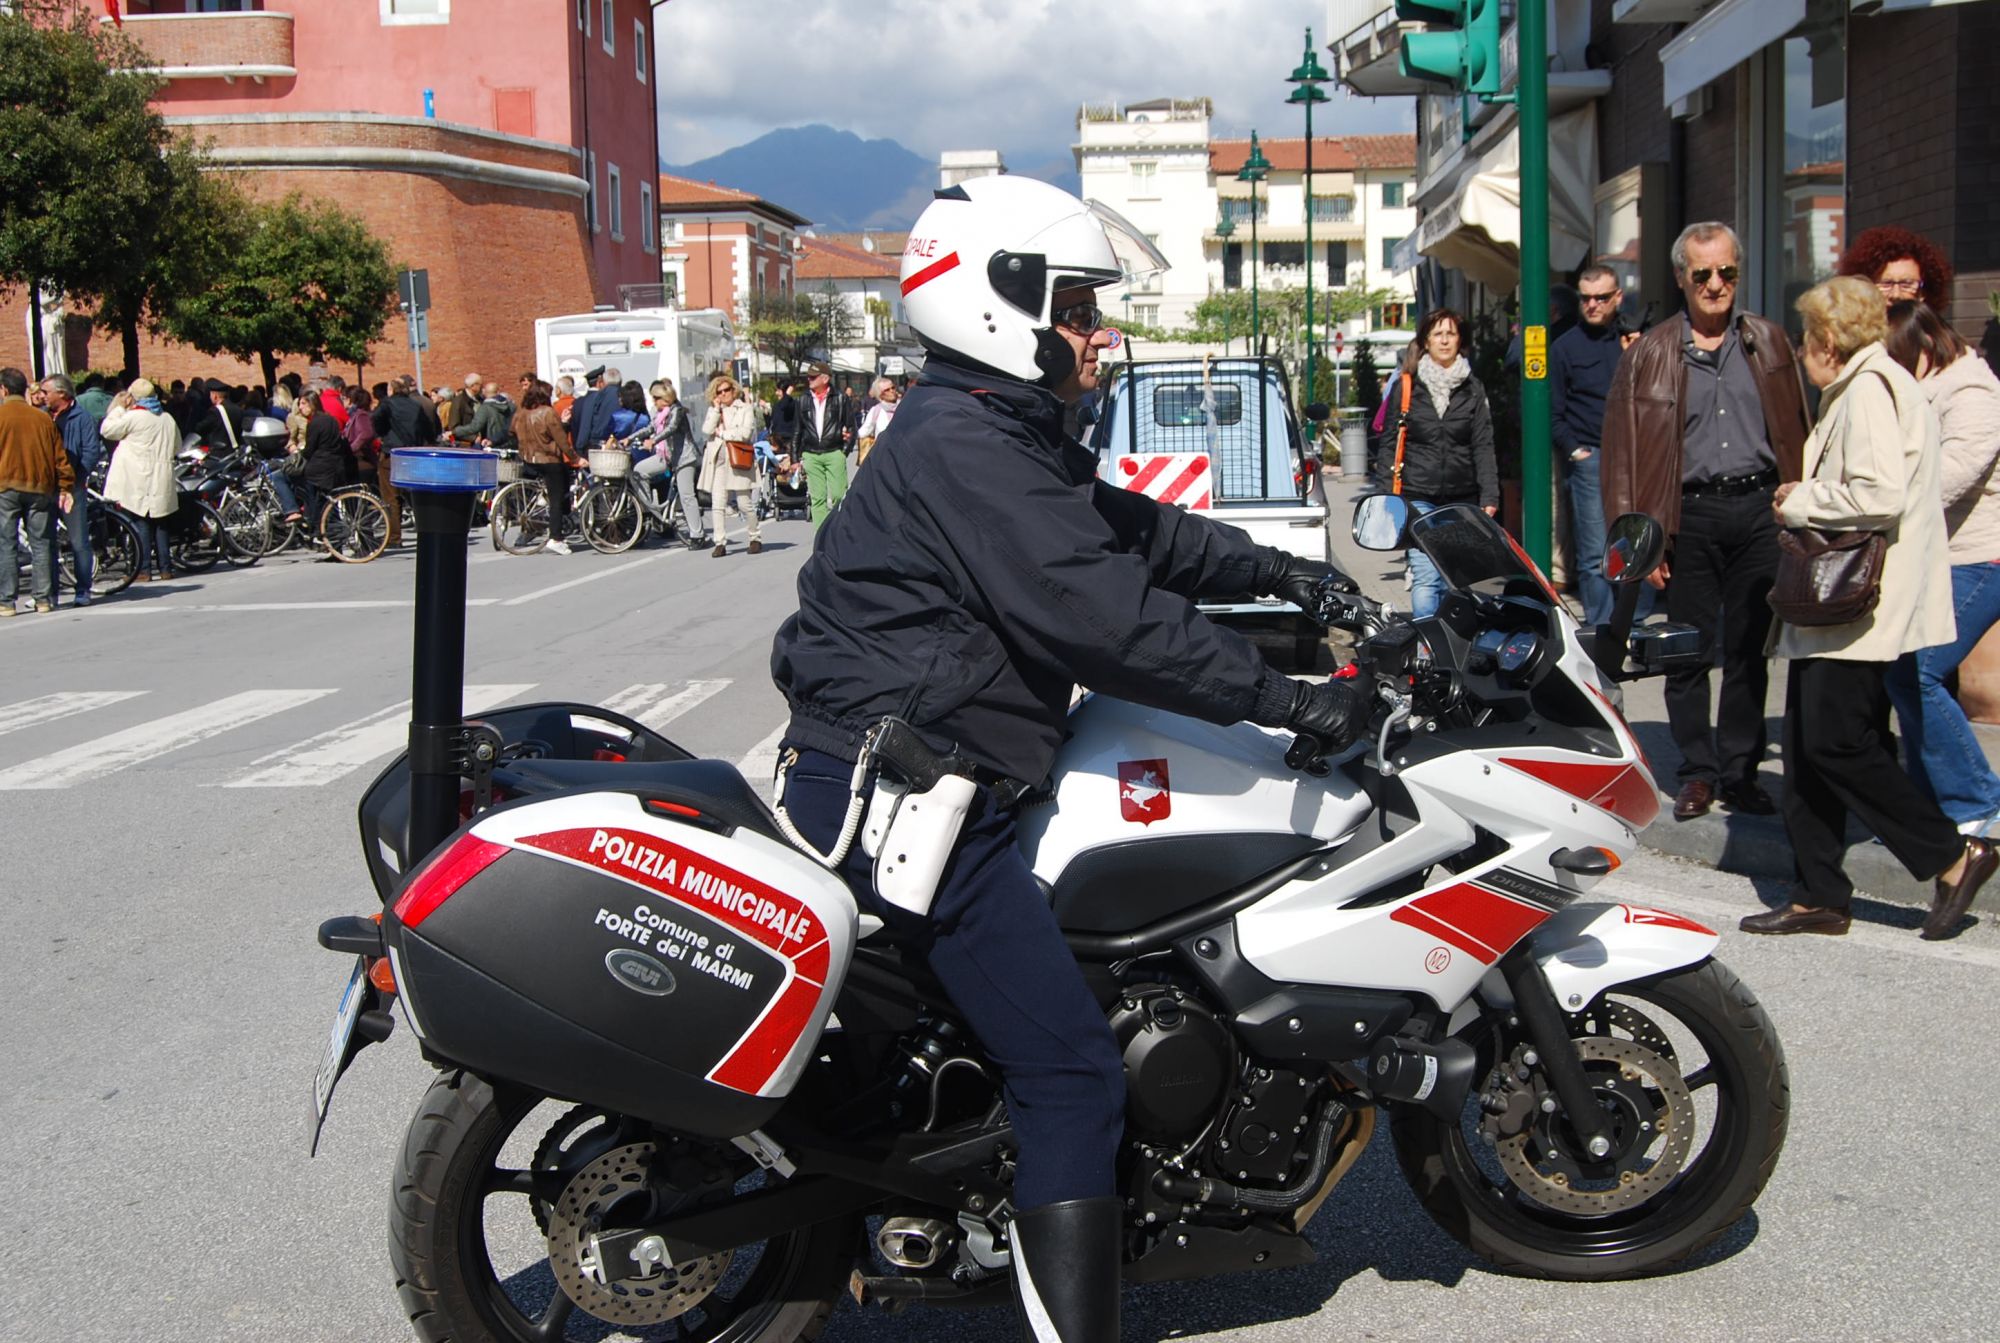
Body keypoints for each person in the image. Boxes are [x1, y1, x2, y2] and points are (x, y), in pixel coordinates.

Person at [769, 175, 1363, 1343]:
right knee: (1071, 1073)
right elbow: (1105, 618)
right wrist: (1290, 701)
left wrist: (1287, 573)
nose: (1100, 332)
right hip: (920, 795)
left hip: (915, 768)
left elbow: (1128, 530)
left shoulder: (987, 428)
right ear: (1005, 305)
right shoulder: (966, 444)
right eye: (1081, 307)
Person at [1745, 276, 1996, 941]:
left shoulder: (1869, 390)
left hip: (1858, 607)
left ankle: (1950, 853)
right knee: (1805, 746)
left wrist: (1799, 499)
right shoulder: (1871, 383)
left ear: (1828, 341)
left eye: (1806, 338)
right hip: (1845, 606)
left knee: (1836, 741)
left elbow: (1878, 493)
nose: (1801, 351)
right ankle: (1818, 893)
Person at [1601, 222, 1812, 822]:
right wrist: (1641, 542)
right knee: (1686, 651)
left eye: (1727, 273)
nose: (1717, 285)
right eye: (1703, 274)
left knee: (1750, 649)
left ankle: (1740, 771)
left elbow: (1800, 428)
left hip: (1760, 510)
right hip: (1686, 514)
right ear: (1681, 279)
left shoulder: (1768, 342)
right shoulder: (1650, 354)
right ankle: (1697, 772)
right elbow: (1620, 454)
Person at [1878, 301, 2000, 836]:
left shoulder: (1972, 392)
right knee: (1908, 676)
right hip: (1944, 557)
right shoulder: (1936, 391)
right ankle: (1930, 811)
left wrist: (1872, 498)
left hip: (1981, 558)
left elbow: (1948, 478)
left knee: (1919, 673)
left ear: (1923, 347)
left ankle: (1976, 798)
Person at [1368, 306, 1499, 619]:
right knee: (1427, 577)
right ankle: (1429, 652)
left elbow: (1482, 443)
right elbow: (1388, 445)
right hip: (1419, 496)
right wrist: (1388, 496)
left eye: (1450, 334)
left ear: (1460, 341)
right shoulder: (1406, 387)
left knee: (1457, 580)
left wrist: (1490, 495)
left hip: (1461, 498)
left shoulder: (1472, 388)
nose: (1444, 340)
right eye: (1437, 334)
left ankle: (1455, 645)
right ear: (1425, 341)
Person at [1550, 265, 1629, 626]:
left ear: (1617, 298)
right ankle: (1602, 628)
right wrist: (1575, 452)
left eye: (1601, 297)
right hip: (1590, 456)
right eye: (1586, 298)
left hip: (1633, 455)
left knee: (1633, 542)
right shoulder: (1565, 346)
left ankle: (1634, 623)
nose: (1593, 304)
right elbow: (1553, 411)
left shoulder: (1633, 340)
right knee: (1596, 550)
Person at [1, 367, 75, 615]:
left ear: (3, 389)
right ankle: (43, 599)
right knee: (41, 543)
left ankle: (6, 601)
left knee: (6, 544)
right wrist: (65, 485)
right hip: (40, 487)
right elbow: (59, 457)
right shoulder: (43, 419)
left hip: (6, 487)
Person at [99, 378, 180, 583]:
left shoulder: (135, 417)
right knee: (161, 522)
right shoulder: (167, 418)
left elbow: (108, 430)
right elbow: (177, 446)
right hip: (162, 475)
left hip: (139, 476)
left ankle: (143, 570)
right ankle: (165, 568)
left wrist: (118, 408)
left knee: (140, 521)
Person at [40, 375, 104, 607]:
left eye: (46, 392)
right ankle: (49, 593)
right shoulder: (43, 416)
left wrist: (77, 478)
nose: (42, 395)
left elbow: (91, 451)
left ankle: (83, 589)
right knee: (45, 541)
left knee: (78, 541)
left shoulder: (82, 418)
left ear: (62, 394)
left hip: (72, 487)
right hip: (46, 487)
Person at [634, 382, 707, 550]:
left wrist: (654, 440)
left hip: (685, 458)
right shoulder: (660, 414)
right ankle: (649, 510)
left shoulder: (677, 411)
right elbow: (649, 428)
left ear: (665, 398)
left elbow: (671, 429)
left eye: (656, 398)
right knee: (639, 470)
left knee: (687, 495)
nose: (654, 402)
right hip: (666, 456)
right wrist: (628, 439)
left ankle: (698, 535)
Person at [373, 375, 441, 548]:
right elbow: (429, 429)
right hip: (412, 454)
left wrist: (383, 434)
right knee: (414, 495)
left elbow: (376, 420)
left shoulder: (386, 404)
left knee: (391, 497)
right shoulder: (415, 405)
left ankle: (394, 537)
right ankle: (427, 530)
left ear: (391, 390)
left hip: (391, 453)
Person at [699, 374, 761, 556]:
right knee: (718, 504)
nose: (723, 394)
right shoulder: (715, 410)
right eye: (719, 392)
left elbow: (745, 433)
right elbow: (707, 430)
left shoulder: (744, 408)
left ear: (734, 390)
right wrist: (716, 410)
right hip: (718, 461)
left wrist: (724, 433)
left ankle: (754, 537)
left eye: (727, 390)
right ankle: (720, 542)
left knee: (744, 503)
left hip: (738, 460)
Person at [512, 385, 575, 556]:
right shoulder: (547, 412)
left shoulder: (521, 413)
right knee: (557, 498)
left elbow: (511, 432)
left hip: (529, 459)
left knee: (549, 493)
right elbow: (560, 439)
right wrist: (575, 458)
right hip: (549, 459)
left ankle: (540, 510)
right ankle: (556, 538)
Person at [1837, 225, 1953, 312]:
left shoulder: (1941, 343)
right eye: (1886, 284)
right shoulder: (1851, 342)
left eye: (1907, 284)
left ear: (1923, 293)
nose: (1896, 295)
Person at [791, 362, 849, 527]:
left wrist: (844, 451)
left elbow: (852, 427)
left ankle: (839, 532)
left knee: (839, 495)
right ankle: (820, 541)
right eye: (808, 376)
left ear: (825, 378)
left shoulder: (840, 398)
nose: (809, 379)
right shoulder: (803, 399)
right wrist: (795, 458)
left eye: (813, 377)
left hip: (834, 452)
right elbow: (797, 431)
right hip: (811, 453)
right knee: (818, 499)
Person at [854, 376, 899, 467]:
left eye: (893, 387)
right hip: (884, 456)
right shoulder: (876, 410)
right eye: (887, 390)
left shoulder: (904, 406)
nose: (892, 391)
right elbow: (864, 431)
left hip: (904, 455)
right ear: (880, 395)